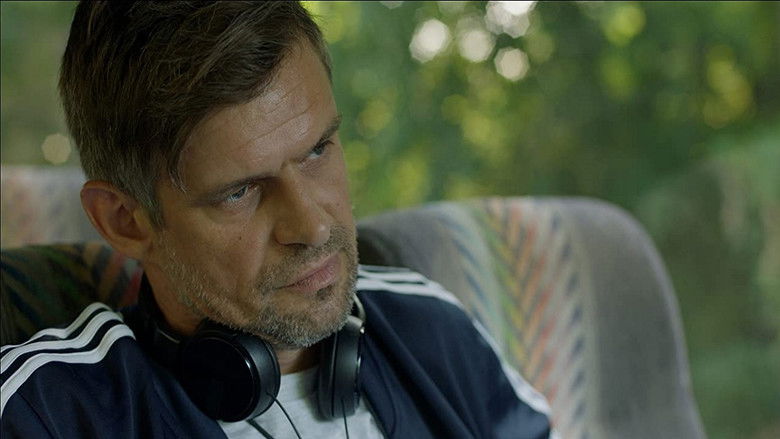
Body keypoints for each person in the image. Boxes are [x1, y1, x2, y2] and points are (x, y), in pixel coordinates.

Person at [0, 2, 554, 438]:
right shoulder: (40, 413)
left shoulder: (432, 330)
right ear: (126, 221)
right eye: (240, 192)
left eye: (317, 150)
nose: (313, 227)